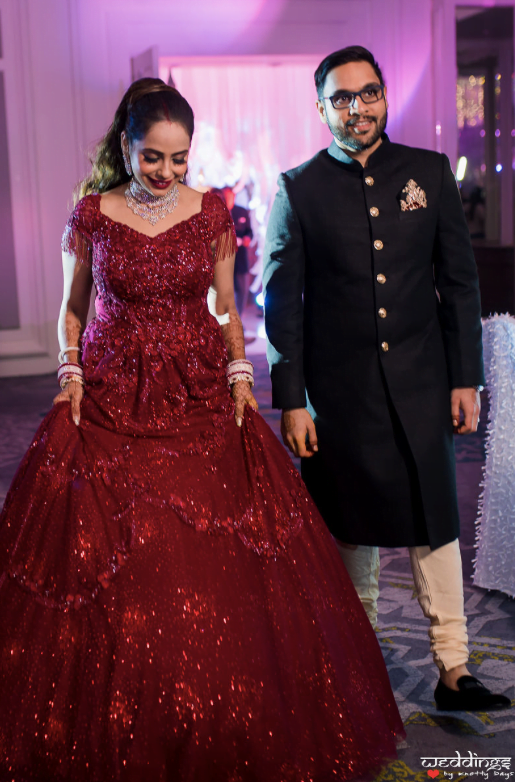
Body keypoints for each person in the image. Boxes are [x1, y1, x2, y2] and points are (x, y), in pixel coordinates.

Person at [0, 78, 404, 781]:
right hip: (110, 401)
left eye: (179, 159)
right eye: (152, 158)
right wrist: (70, 369)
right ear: (125, 146)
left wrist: (239, 374)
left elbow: (224, 307)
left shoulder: (210, 211)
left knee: (214, 561)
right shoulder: (91, 215)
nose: (166, 173)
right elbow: (72, 308)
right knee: (115, 556)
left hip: (196, 396)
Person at [263, 46, 512, 713]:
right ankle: (359, 664)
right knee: (351, 527)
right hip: (339, 394)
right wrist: (291, 401)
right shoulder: (298, 188)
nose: (357, 107)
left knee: (436, 521)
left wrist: (467, 379)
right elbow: (280, 306)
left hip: (423, 383)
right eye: (341, 98)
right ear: (321, 110)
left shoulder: (426, 173)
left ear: (382, 96)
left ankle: (454, 667)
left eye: (367, 93)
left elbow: (458, 282)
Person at [220, 186, 253, 316]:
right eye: (225, 196)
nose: (228, 198)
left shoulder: (242, 211)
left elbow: (250, 232)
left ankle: (239, 321)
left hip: (240, 259)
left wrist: (247, 238)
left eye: (230, 196)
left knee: (243, 291)